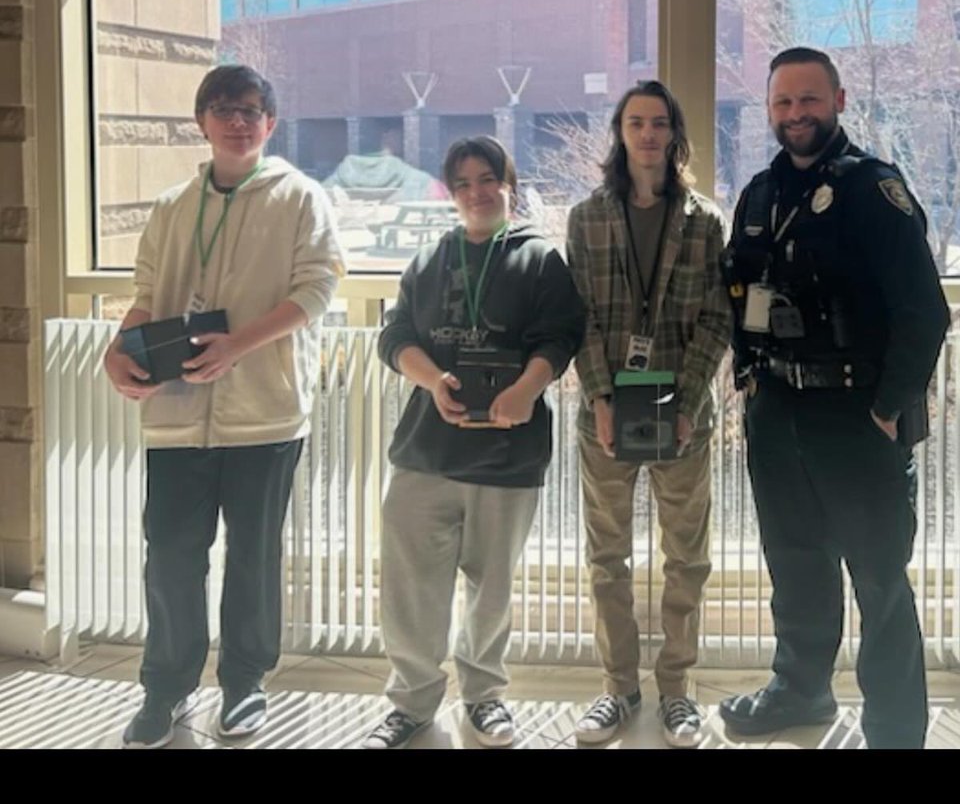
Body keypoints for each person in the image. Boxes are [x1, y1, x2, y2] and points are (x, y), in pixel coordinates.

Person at [103, 64, 345, 749]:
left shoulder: (301, 197)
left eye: (250, 110)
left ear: (270, 123)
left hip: (266, 414)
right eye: (223, 109)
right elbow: (147, 294)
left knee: (253, 557)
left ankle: (244, 684)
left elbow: (317, 291)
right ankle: (166, 687)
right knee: (171, 555)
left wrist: (239, 344)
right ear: (201, 121)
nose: (238, 121)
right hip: (176, 415)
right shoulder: (172, 206)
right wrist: (115, 350)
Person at [719, 46, 950, 749]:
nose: (796, 114)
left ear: (840, 102)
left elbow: (923, 312)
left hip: (857, 417)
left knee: (879, 582)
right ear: (769, 109)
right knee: (794, 565)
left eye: (809, 99)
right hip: (776, 413)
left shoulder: (872, 189)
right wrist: (748, 381)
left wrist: (888, 408)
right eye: (783, 102)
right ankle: (800, 692)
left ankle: (894, 731)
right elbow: (740, 295)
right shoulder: (759, 194)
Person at [362, 135, 585, 750]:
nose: (476, 192)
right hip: (425, 452)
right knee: (411, 586)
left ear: (509, 185)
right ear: (451, 193)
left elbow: (561, 337)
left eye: (488, 179)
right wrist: (433, 381)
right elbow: (395, 337)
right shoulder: (429, 259)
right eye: (463, 183)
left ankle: (484, 699)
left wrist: (526, 391)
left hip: (508, 453)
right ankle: (411, 703)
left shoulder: (540, 259)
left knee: (491, 588)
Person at [565, 81, 731, 748]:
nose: (648, 134)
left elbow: (717, 317)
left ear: (674, 134)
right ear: (620, 132)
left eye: (659, 122)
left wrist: (687, 404)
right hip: (604, 415)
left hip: (683, 414)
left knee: (686, 557)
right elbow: (577, 316)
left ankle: (677, 691)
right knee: (608, 558)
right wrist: (600, 399)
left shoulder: (704, 221)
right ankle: (618, 688)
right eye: (635, 122)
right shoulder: (587, 217)